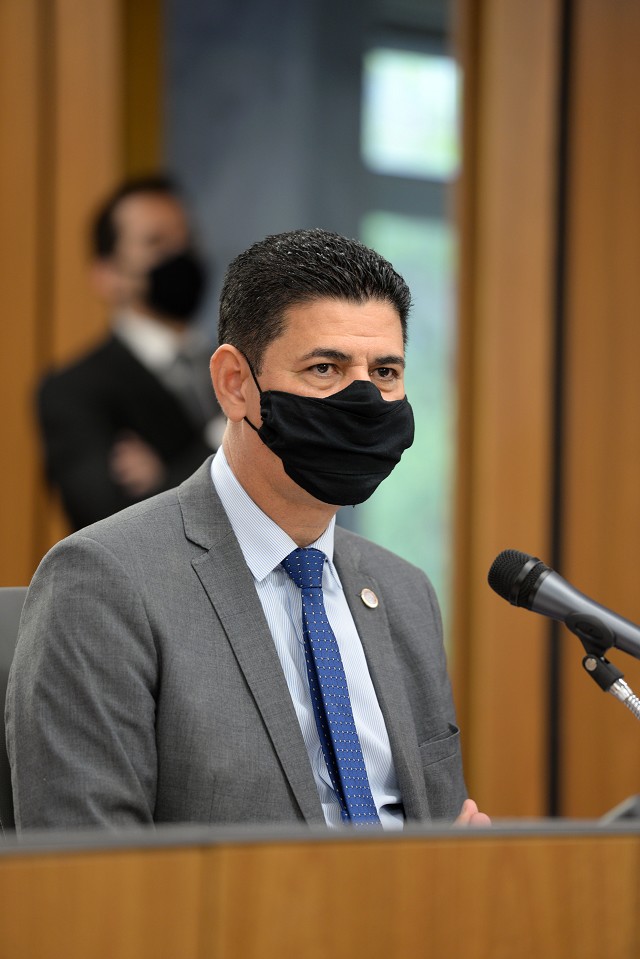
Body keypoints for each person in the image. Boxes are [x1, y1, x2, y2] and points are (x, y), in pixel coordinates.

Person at [7, 228, 489, 831]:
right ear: (235, 383)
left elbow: (440, 823)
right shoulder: (104, 582)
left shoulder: (405, 592)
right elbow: (91, 873)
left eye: (385, 371)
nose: (365, 399)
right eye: (325, 368)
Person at [37, 175, 224, 531]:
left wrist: (161, 481)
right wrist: (225, 435)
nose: (180, 254)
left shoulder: (239, 370)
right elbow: (105, 520)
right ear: (107, 275)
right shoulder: (74, 390)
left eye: (187, 239)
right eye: (156, 242)